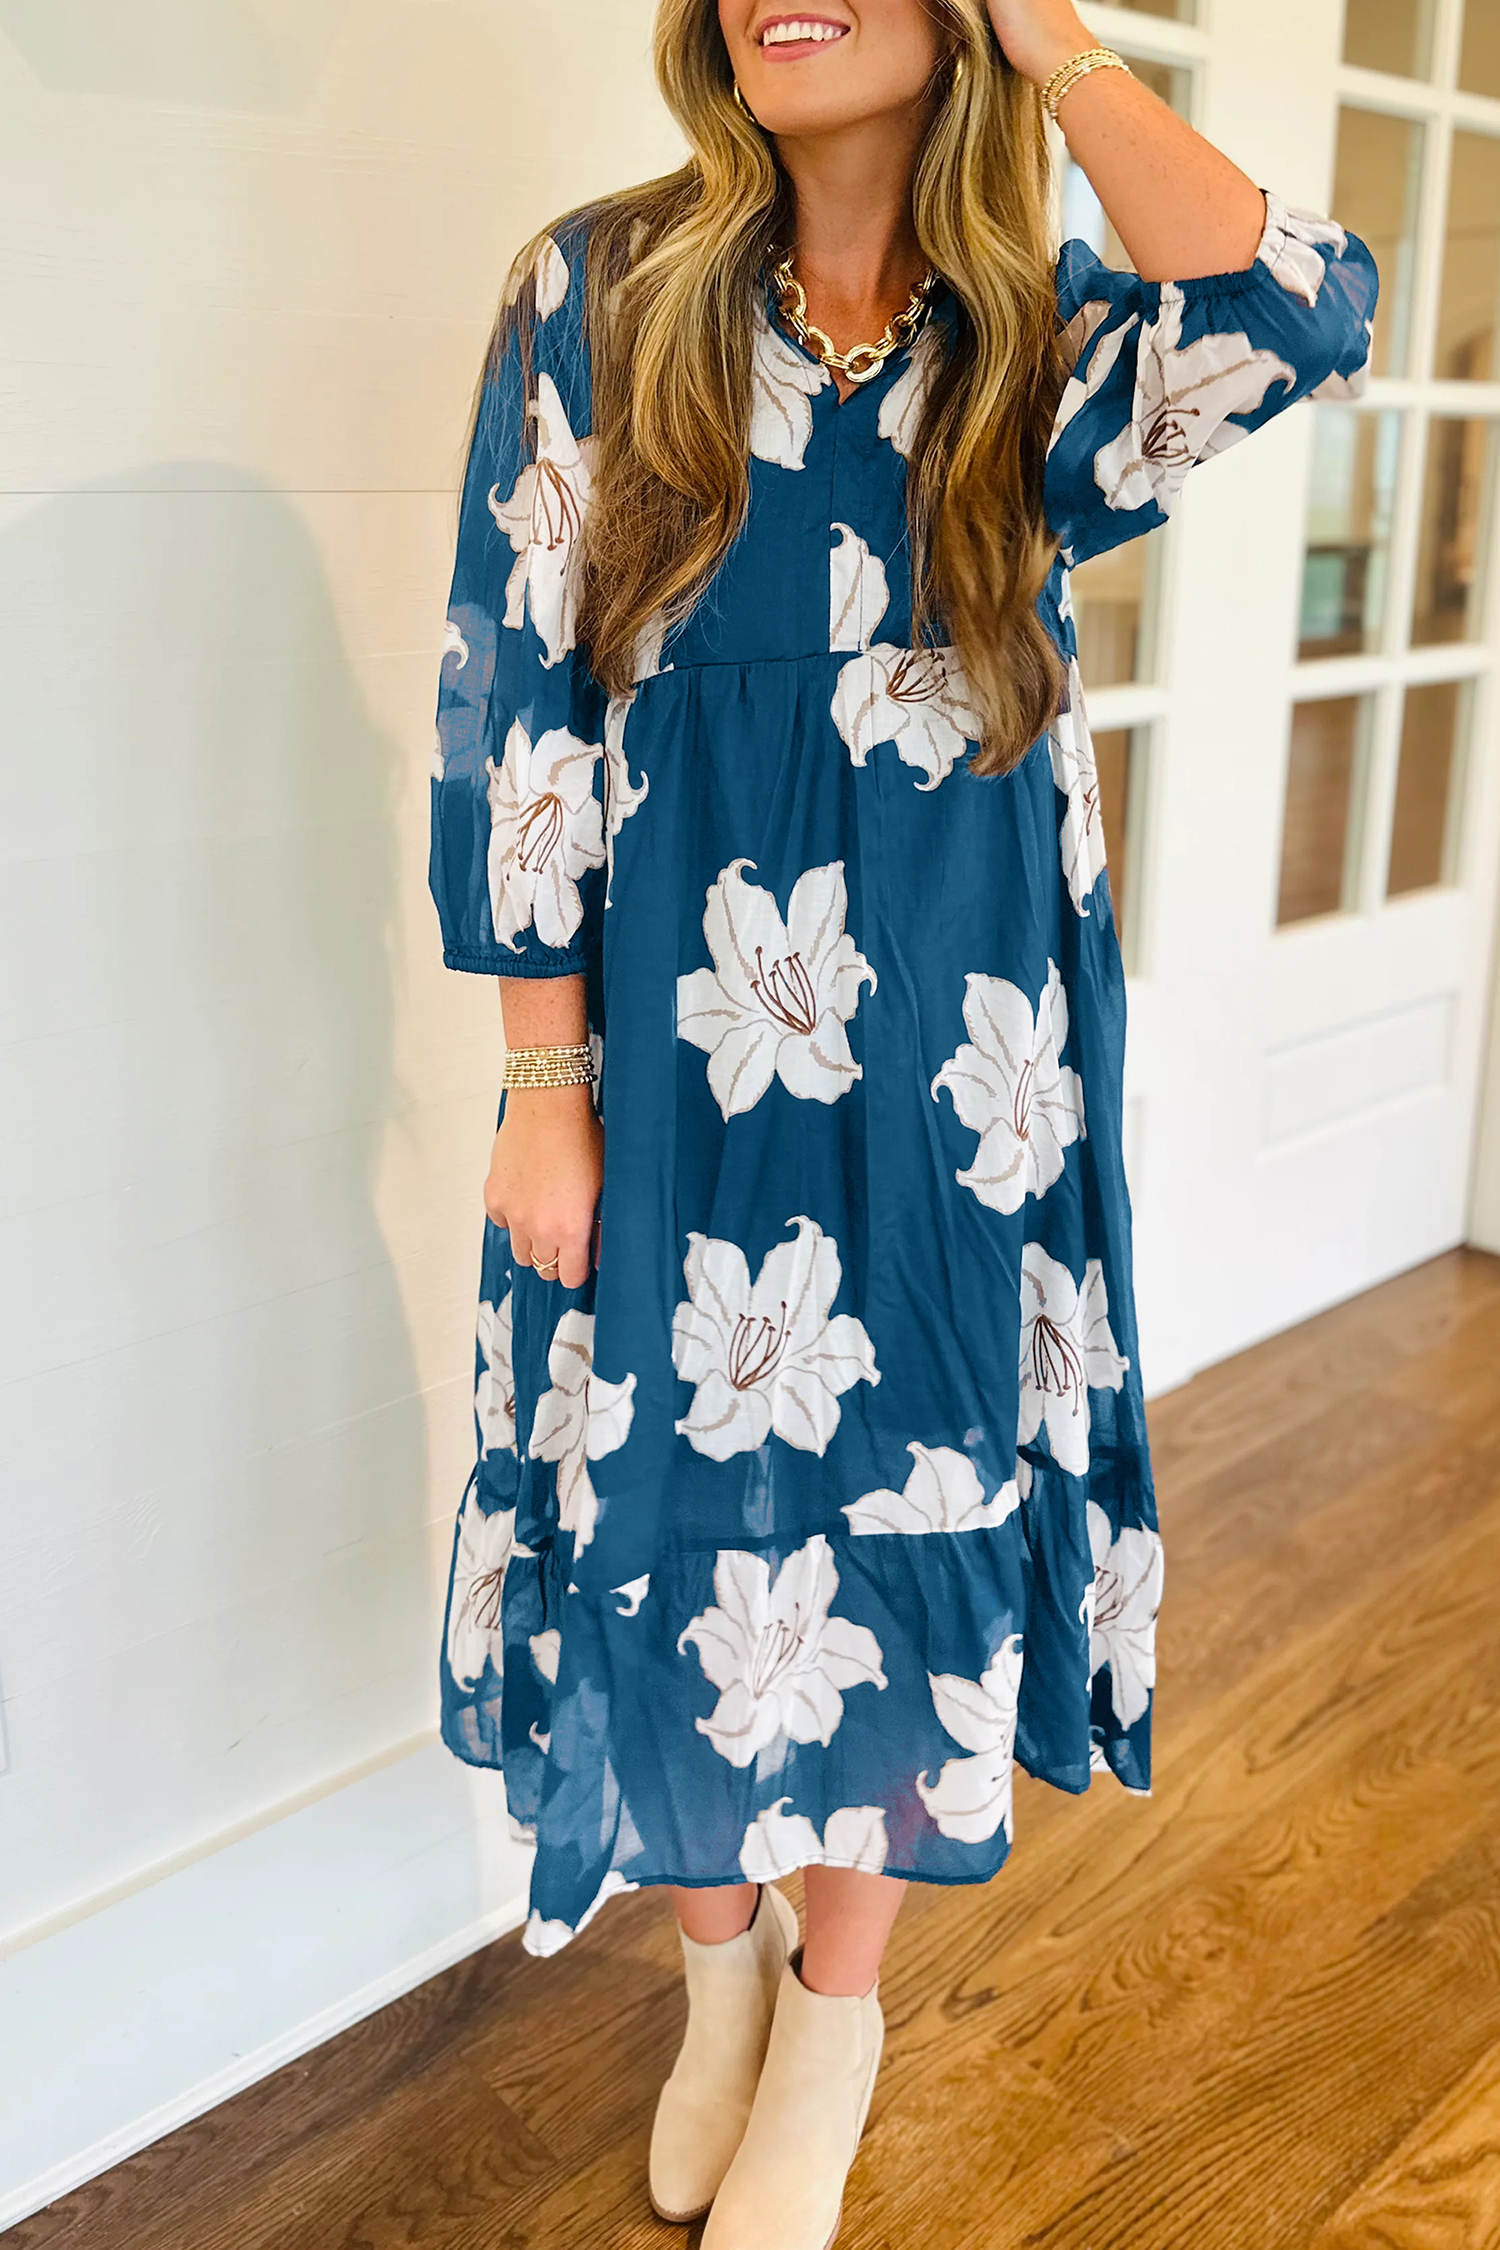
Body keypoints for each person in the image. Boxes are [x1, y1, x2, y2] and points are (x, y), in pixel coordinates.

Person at [429, 0, 1376, 2240]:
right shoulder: (598, 291)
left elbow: (1299, 306)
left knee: (915, 1484)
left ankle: (835, 2019)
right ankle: (721, 1975)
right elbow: (515, 698)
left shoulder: (1038, 337)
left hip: (968, 1034)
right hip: (670, 1027)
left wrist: (1052, 42)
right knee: (656, 1488)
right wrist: (544, 1084)